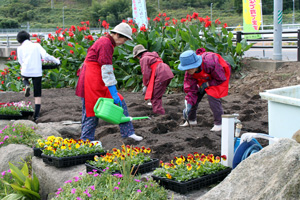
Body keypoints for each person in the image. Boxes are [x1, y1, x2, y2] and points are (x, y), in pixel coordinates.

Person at [76, 23, 143, 141]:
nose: (124, 42)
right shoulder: (105, 43)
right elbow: (106, 69)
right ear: (117, 35)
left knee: (120, 101)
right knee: (91, 110)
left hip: (98, 78)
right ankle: (86, 140)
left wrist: (114, 92)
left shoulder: (107, 42)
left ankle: (128, 133)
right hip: (91, 80)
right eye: (124, 39)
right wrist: (113, 90)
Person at [178, 49, 231, 131]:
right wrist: (188, 105)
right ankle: (191, 120)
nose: (188, 70)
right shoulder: (189, 73)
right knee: (195, 96)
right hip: (203, 78)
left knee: (212, 96)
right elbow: (191, 90)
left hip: (218, 77)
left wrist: (207, 84)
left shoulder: (210, 63)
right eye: (186, 69)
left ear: (197, 64)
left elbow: (221, 78)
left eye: (190, 68)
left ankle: (219, 123)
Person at [17, 30, 60, 121]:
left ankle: (26, 84)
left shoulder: (19, 48)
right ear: (29, 37)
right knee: (37, 94)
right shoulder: (36, 45)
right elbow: (45, 56)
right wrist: (56, 60)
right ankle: (36, 116)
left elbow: (20, 61)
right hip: (37, 72)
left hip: (26, 71)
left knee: (24, 76)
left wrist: (24, 67)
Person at [133, 44, 174, 115]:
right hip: (167, 72)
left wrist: (145, 85)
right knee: (157, 92)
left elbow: (146, 73)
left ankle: (159, 114)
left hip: (161, 74)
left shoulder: (144, 59)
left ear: (138, 55)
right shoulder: (153, 55)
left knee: (155, 97)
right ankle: (158, 109)